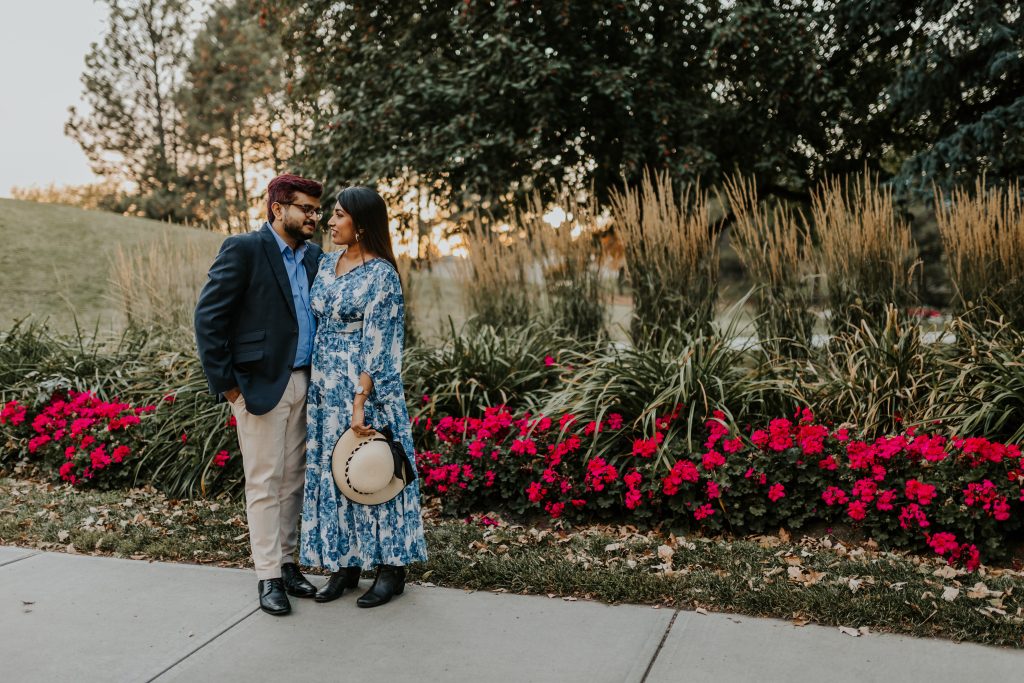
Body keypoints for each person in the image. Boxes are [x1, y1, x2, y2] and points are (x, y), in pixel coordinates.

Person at [194, 174, 324, 616]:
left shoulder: (315, 259)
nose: (314, 217)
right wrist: (229, 387)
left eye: (316, 210)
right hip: (259, 386)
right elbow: (209, 318)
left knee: (293, 481)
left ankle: (288, 564)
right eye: (305, 208)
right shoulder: (244, 249)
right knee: (264, 481)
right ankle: (267, 576)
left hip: (306, 382)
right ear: (277, 209)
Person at [301, 186, 427, 608]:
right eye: (331, 215)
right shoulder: (326, 263)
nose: (330, 222)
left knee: (377, 472)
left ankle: (392, 568)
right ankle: (345, 565)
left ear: (361, 224)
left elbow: (381, 342)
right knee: (339, 474)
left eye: (338, 215)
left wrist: (360, 399)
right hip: (325, 388)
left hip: (366, 389)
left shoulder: (382, 275)